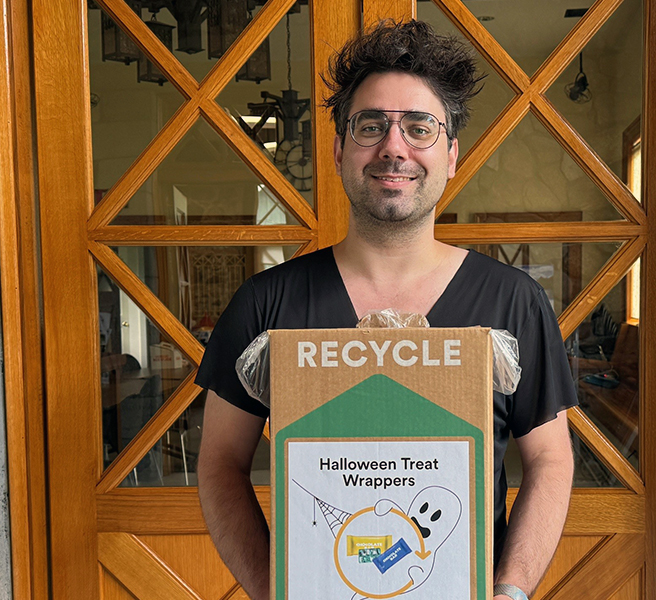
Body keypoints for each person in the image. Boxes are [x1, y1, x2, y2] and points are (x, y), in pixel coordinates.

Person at [196, 20, 577, 600]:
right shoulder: (266, 303)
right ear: (339, 149)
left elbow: (550, 460)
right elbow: (221, 463)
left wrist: (513, 589)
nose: (393, 147)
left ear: (450, 155)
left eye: (419, 128)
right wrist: (270, 587)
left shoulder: (511, 301)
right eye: (370, 126)